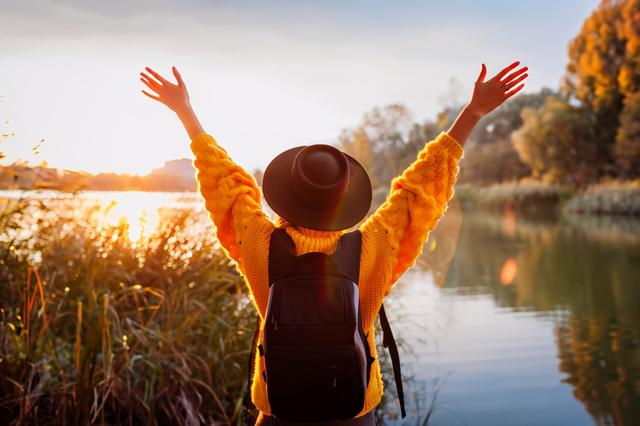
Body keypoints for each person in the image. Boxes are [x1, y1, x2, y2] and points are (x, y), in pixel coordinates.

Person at [139, 61, 528, 425]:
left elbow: (222, 181)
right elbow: (418, 190)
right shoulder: (373, 246)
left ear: (286, 193)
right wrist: (472, 114)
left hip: (279, 410)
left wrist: (185, 113)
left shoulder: (258, 242)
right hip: (354, 412)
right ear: (343, 201)